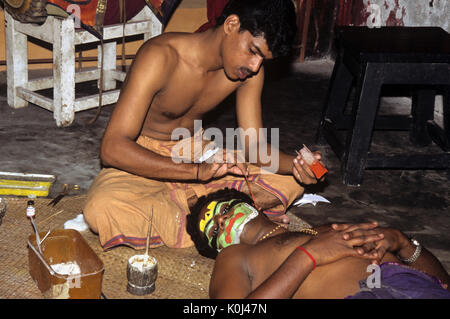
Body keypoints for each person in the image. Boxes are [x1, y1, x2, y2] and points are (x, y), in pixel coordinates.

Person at [84, 0, 325, 250]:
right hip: (144, 159)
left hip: (198, 152)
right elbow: (112, 148)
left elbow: (255, 149)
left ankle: (207, 220)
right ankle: (232, 219)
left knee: (291, 182)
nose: (255, 66)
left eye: (263, 60)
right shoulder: (160, 56)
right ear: (232, 24)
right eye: (254, 51)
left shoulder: (250, 73)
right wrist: (196, 173)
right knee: (101, 209)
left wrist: (301, 168)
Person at [186, 188, 450, 299]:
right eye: (212, 230)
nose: (220, 221)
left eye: (224, 209)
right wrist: (306, 257)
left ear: (251, 204)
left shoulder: (325, 230)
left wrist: (402, 242)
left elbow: (441, 282)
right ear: (218, 247)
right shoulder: (235, 256)